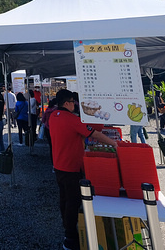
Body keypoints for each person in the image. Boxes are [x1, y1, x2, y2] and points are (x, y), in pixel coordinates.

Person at [49, 89, 118, 250]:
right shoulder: (71, 119)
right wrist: (114, 144)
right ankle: (70, 237)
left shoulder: (53, 116)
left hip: (59, 165)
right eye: (73, 102)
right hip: (71, 167)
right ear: (67, 103)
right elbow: (95, 134)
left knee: (65, 199)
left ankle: (67, 228)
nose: (75, 105)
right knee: (73, 201)